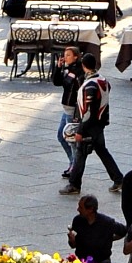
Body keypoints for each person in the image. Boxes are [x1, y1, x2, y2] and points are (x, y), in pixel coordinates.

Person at [63, 68, 123, 195]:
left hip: (90, 126)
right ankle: (118, 179)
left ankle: (74, 184)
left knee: (80, 154)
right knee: (102, 151)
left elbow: (89, 110)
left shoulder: (90, 85)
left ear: (84, 66)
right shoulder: (102, 80)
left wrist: (80, 130)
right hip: (99, 124)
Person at [55, 45, 88, 175]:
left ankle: (75, 169)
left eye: (68, 55)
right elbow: (57, 82)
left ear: (76, 56)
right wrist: (58, 68)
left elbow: (79, 91)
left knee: (71, 140)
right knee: (61, 136)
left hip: (73, 110)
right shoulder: (67, 69)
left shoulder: (79, 71)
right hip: (66, 109)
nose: (65, 57)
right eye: (65, 55)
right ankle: (72, 162)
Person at [67, 193, 123, 263]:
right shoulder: (77, 220)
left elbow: (123, 231)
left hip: (102, 262)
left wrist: (108, 238)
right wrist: (72, 241)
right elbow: (73, 245)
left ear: (90, 209)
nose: (78, 209)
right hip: (82, 261)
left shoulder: (106, 222)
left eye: (81, 207)